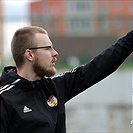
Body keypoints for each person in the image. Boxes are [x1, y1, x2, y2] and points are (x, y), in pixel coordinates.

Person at [0, 26, 132, 133]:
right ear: (29, 54)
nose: (55, 53)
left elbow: (97, 67)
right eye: (48, 48)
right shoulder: (5, 98)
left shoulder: (54, 87)